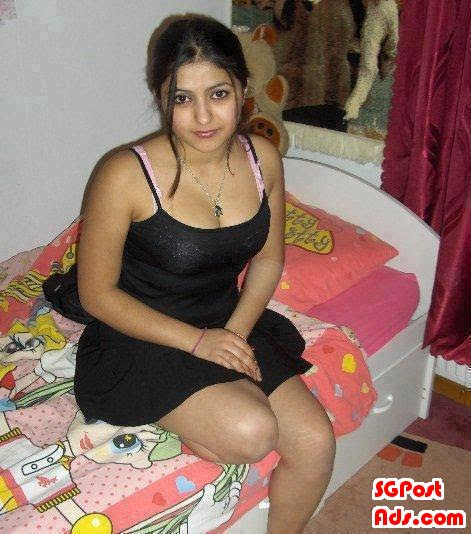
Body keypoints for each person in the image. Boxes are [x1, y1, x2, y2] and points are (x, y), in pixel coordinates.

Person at [74, 14, 335, 533]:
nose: (202, 117)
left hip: (224, 319)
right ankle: (187, 420)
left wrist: (232, 335)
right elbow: (96, 294)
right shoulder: (124, 173)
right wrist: (198, 343)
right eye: (182, 98)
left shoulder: (263, 159)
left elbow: (268, 259)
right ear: (161, 97)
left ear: (243, 88)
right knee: (253, 430)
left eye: (218, 94)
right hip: (139, 334)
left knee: (315, 441)